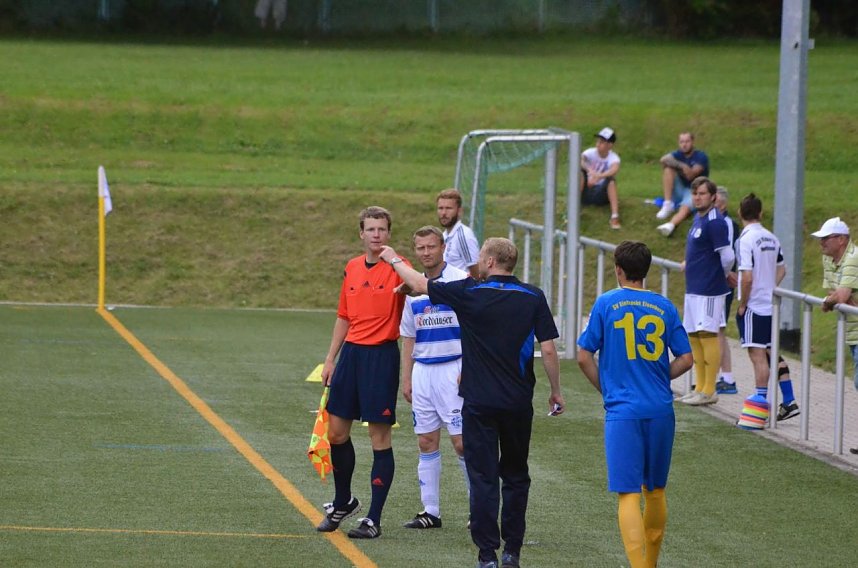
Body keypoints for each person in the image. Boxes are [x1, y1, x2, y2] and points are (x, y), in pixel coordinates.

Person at [379, 237, 564, 568]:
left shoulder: (470, 292)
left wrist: (393, 258)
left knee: (483, 476)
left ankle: (487, 554)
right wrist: (555, 390)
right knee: (516, 475)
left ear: (491, 262)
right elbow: (548, 348)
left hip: (479, 402)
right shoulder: (533, 296)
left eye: (481, 258)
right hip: (518, 402)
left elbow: (421, 282)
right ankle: (512, 551)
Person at [577, 240, 693, 568]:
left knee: (628, 493)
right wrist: (659, 379)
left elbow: (584, 356)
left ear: (618, 270)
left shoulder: (606, 303)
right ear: (646, 270)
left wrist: (608, 389)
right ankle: (651, 563)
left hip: (623, 410)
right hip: (660, 409)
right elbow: (686, 359)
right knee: (655, 490)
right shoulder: (665, 307)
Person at [316, 206, 412, 539]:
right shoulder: (352, 268)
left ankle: (373, 518)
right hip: (351, 357)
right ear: (361, 233)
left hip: (381, 358)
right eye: (370, 229)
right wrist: (331, 359)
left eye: (381, 229)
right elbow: (344, 315)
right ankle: (344, 501)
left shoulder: (399, 267)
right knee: (336, 434)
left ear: (389, 233)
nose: (376, 234)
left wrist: (399, 267)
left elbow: (418, 285)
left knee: (379, 439)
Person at [398, 226, 470, 529]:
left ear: (443, 247)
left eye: (431, 246)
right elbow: (408, 335)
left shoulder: (461, 280)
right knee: (426, 441)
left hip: (454, 368)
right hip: (423, 371)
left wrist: (470, 369)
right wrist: (406, 377)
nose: (426, 252)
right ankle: (431, 511)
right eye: (420, 248)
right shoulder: (411, 287)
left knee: (463, 443)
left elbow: (473, 328)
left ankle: (478, 509)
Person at [734, 194, 801, 429]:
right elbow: (782, 269)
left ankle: (759, 408)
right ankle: (788, 400)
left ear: (740, 213)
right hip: (770, 305)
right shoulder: (772, 238)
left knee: (758, 357)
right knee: (771, 354)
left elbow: (748, 276)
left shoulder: (745, 239)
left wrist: (743, 303)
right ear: (760, 214)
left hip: (754, 306)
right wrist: (770, 287)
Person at [675, 177, 734, 406]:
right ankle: (699, 387)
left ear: (713, 197)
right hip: (694, 288)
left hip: (709, 290)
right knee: (694, 336)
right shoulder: (698, 218)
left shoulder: (715, 221)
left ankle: (709, 390)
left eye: (702, 193)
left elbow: (727, 256)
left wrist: (721, 273)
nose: (698, 197)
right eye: (695, 194)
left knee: (708, 335)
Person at [812, 217, 858, 453]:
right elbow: (837, 295)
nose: (822, 243)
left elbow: (837, 297)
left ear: (841, 240)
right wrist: (838, 297)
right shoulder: (829, 259)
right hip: (853, 332)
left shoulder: (853, 257)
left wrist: (836, 298)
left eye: (826, 238)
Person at [655, 132, 710, 237]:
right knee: (668, 169)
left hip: (695, 191)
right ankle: (668, 204)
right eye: (681, 142)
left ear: (692, 142)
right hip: (680, 188)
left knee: (685, 207)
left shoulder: (701, 157)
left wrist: (678, 165)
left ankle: (670, 225)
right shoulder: (678, 154)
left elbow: (691, 175)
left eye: (687, 141)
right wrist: (681, 165)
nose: (684, 145)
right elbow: (663, 159)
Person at [716, 186, 740, 394]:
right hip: (713, 282)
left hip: (722, 283)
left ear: (721, 204)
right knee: (713, 329)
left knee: (718, 329)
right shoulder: (711, 222)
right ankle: (718, 376)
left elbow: (728, 252)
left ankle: (727, 377)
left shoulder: (727, 223)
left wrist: (727, 273)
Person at [580, 127, 622, 230]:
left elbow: (614, 169)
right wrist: (590, 171)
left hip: (601, 194)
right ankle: (574, 209)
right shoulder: (590, 152)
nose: (598, 143)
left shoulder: (613, 157)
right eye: (598, 140)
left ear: (610, 145)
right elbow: (580, 160)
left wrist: (599, 176)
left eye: (602, 142)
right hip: (585, 190)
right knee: (580, 174)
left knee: (611, 181)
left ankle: (615, 216)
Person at [436, 188, 480, 278]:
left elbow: (476, 270)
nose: (444, 213)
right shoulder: (444, 236)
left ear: (459, 211)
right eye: (441, 208)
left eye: (448, 208)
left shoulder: (464, 235)